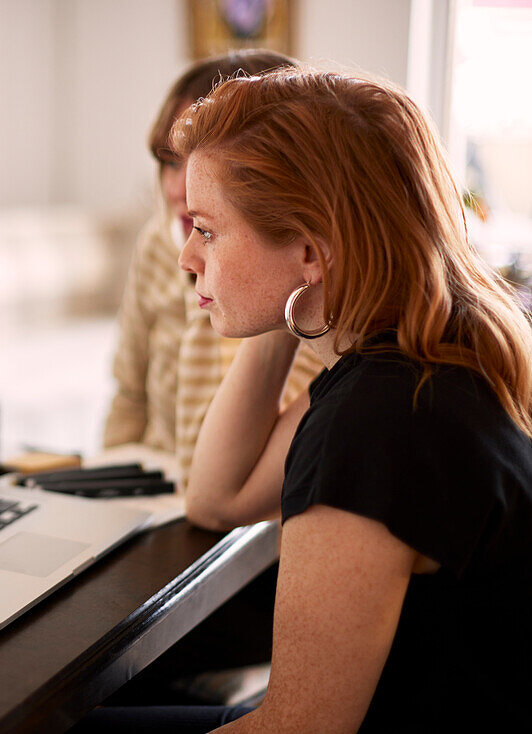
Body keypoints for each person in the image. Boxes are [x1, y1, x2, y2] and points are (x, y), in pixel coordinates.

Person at [83, 68, 532, 732]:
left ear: (311, 248)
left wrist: (290, 283)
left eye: (206, 229)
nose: (185, 257)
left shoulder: (375, 427)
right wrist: (288, 307)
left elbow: (297, 729)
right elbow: (219, 497)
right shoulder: (422, 357)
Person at [103, 51, 324, 492]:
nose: (175, 188)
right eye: (169, 161)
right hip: (152, 485)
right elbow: (128, 393)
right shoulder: (159, 246)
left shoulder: (288, 291)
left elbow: (243, 485)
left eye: (196, 160)